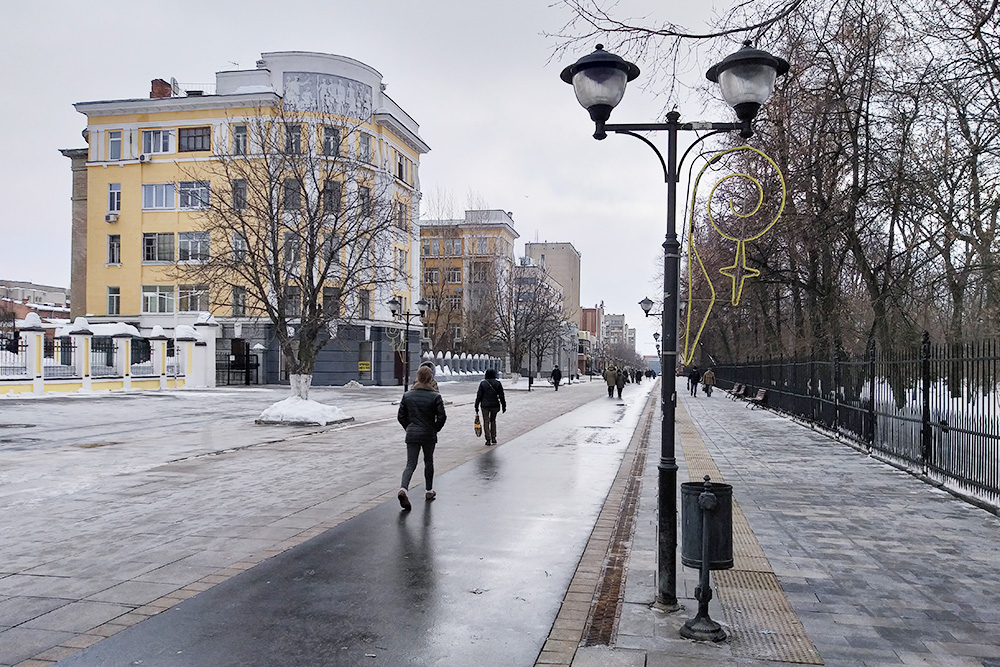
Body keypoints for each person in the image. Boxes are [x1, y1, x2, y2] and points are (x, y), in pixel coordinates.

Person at [396, 365, 447, 510]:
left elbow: (400, 416)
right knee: (428, 461)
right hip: (429, 434)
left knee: (410, 464)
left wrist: (409, 427)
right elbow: (442, 417)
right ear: (431, 379)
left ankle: (403, 489)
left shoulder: (408, 395)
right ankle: (429, 491)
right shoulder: (436, 396)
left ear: (417, 377)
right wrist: (435, 429)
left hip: (412, 433)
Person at [475, 368, 506, 446]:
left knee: (486, 421)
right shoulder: (498, 383)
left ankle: (488, 439)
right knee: (493, 421)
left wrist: (476, 405)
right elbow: (501, 396)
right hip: (495, 405)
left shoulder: (483, 383)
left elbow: (479, 395)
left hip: (484, 406)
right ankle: (494, 437)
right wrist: (503, 405)